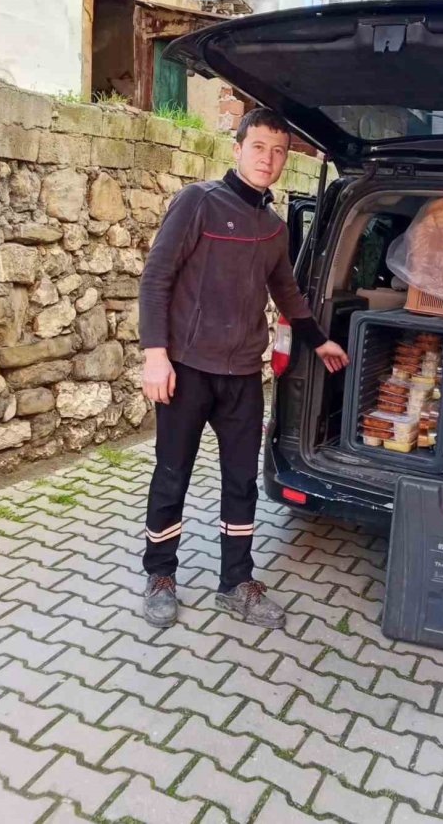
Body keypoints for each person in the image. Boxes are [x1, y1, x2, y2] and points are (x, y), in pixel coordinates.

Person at [138, 108, 348, 631]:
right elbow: (156, 279)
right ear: (237, 148)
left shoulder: (274, 228)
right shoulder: (197, 203)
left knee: (241, 482)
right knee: (172, 476)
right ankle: (161, 575)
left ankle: (236, 582)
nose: (269, 161)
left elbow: (287, 293)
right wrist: (155, 354)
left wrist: (319, 341)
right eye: (259, 148)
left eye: (279, 152)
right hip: (186, 371)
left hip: (241, 377)